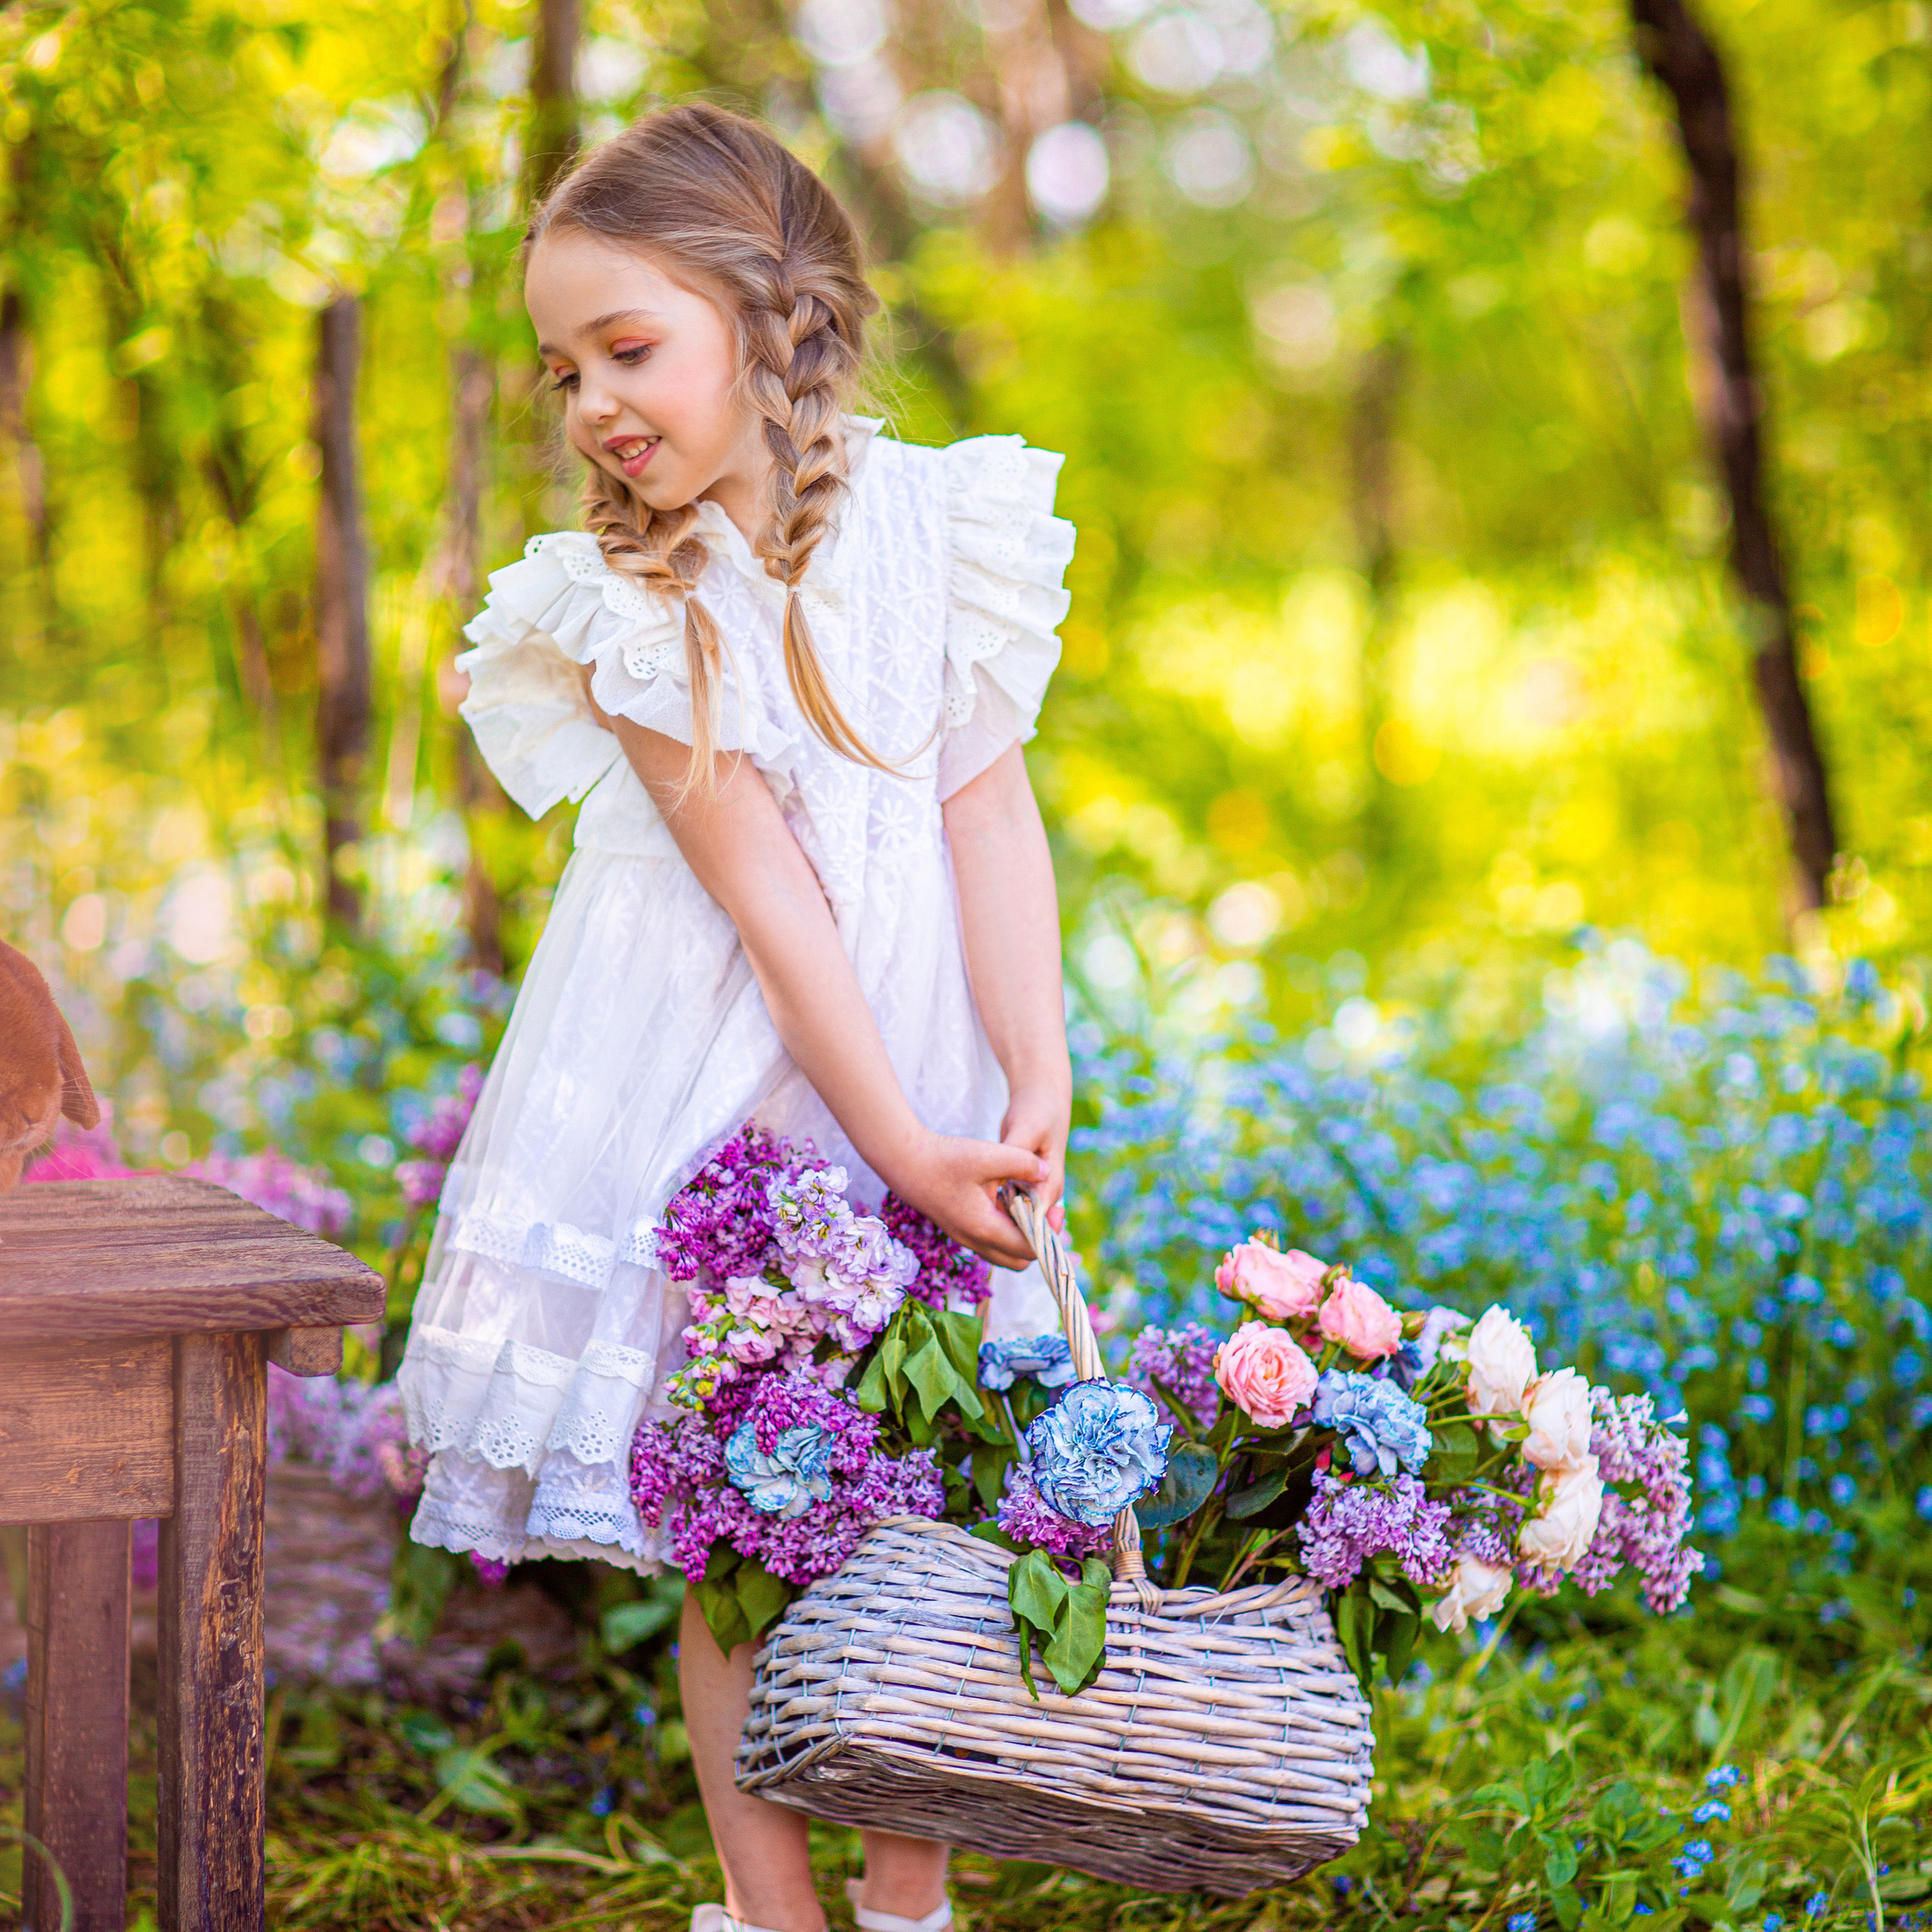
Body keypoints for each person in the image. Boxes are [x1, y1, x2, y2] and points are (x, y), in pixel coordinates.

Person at [397, 101, 1078, 1932]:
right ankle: (770, 1910)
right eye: (563, 371)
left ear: (768, 318)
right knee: (747, 1518)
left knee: (931, 1503)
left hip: (929, 1065)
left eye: (629, 347)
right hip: (744, 1110)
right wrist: (894, 1147)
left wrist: (1031, 1068)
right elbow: (772, 903)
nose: (595, 404)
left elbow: (982, 811)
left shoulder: (944, 524)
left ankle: (908, 1903)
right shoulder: (627, 600)